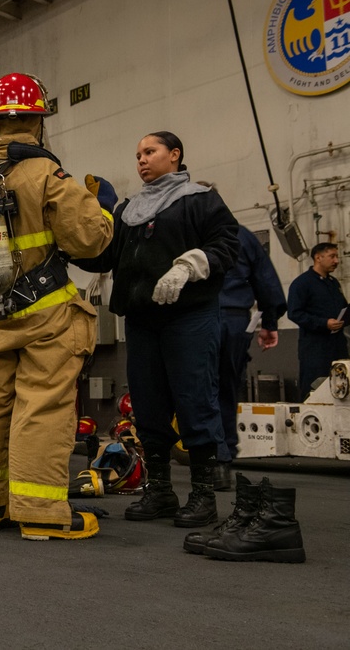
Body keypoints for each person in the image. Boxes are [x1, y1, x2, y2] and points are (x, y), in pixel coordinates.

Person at [0, 73, 114, 540]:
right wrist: (101, 206)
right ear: (36, 120)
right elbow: (88, 240)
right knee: (42, 406)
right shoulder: (46, 172)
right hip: (44, 310)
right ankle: (40, 513)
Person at [76, 131, 238, 529]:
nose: (142, 160)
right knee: (147, 406)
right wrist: (71, 240)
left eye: (150, 152)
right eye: (137, 155)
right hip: (142, 320)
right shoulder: (129, 209)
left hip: (189, 317)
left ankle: (202, 495)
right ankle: (160, 492)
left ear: (175, 155)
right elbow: (106, 257)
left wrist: (189, 264)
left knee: (195, 401)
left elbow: (228, 244)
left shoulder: (200, 199)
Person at [217, 221, 286, 474]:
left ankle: (204, 458)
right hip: (235, 319)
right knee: (227, 387)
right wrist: (269, 322)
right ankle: (223, 459)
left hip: (194, 318)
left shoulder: (185, 229)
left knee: (196, 389)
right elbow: (266, 281)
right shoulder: (241, 234)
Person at [287, 242, 348, 400]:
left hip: (337, 348)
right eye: (332, 256)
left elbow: (344, 309)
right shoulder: (302, 284)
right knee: (314, 390)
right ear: (318, 257)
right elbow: (294, 313)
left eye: (336, 256)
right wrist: (324, 323)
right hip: (315, 350)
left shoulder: (333, 284)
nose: (336, 260)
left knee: (341, 389)